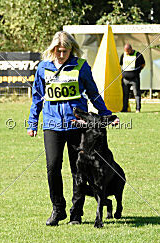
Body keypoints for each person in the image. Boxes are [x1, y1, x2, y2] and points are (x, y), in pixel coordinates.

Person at [27, 31, 117, 226]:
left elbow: (93, 94)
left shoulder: (81, 67)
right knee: (52, 168)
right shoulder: (43, 68)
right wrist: (32, 122)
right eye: (58, 51)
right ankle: (58, 209)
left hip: (77, 125)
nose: (61, 55)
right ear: (52, 50)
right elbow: (37, 98)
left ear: (71, 50)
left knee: (78, 171)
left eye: (65, 51)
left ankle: (76, 213)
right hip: (52, 125)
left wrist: (106, 116)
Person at [120, 43, 145, 113]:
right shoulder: (123, 55)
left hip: (134, 79)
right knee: (125, 95)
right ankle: (124, 109)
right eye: (126, 51)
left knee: (136, 94)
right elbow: (121, 64)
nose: (127, 53)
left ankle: (137, 109)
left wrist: (137, 71)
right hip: (125, 79)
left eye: (128, 51)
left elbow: (143, 64)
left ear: (131, 49)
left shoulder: (138, 55)